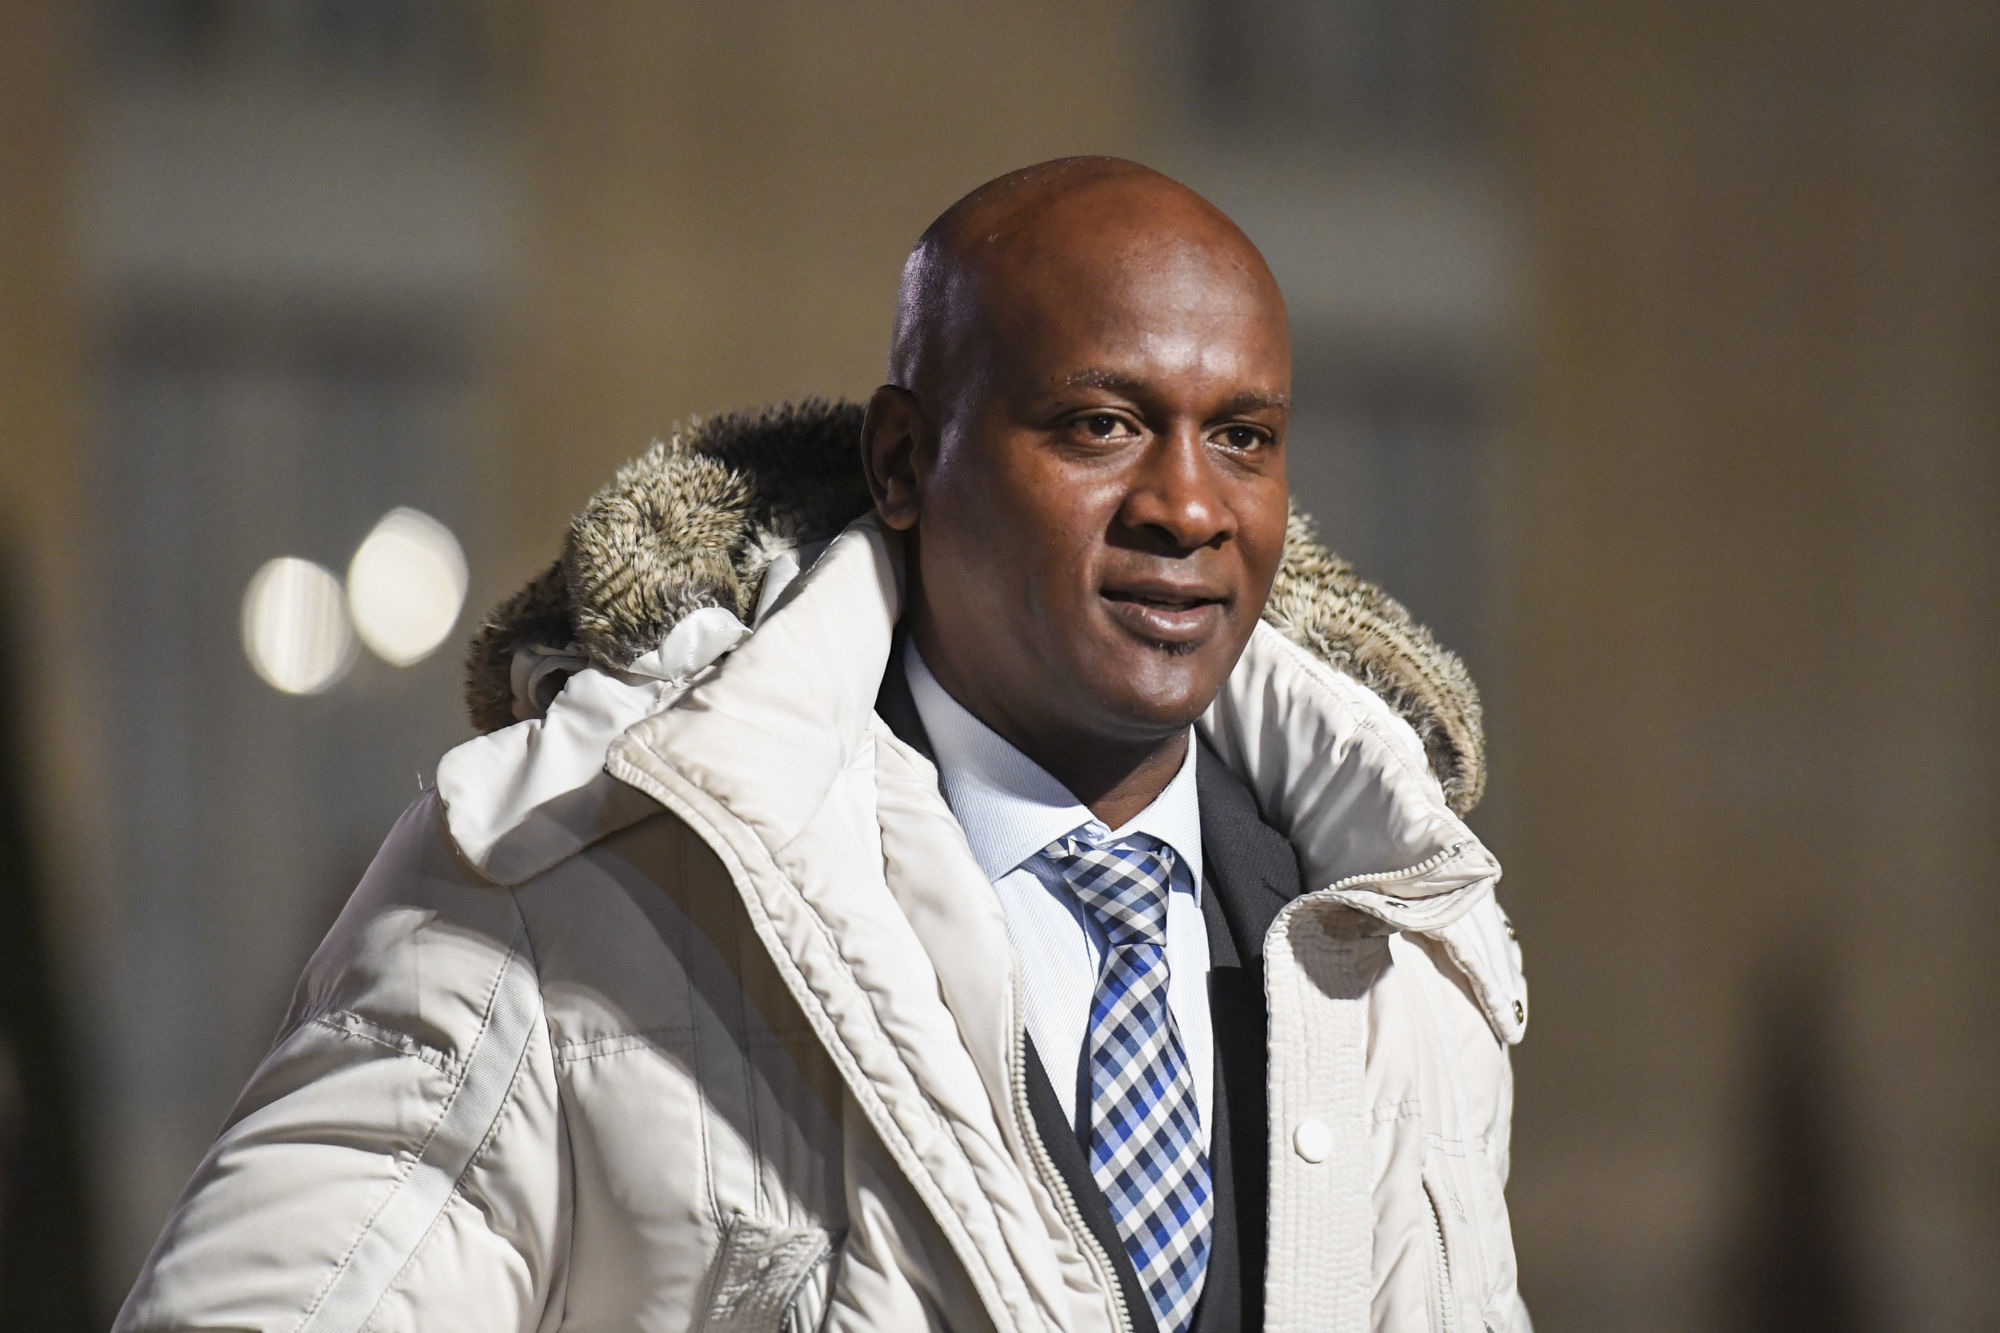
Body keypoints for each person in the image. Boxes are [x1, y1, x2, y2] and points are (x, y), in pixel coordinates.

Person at [116, 158, 1529, 1333]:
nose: (1186, 503)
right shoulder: (559, 878)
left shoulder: (1404, 958)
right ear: (905, 460)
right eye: (1100, 425)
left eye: (1244, 438)